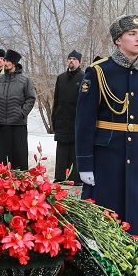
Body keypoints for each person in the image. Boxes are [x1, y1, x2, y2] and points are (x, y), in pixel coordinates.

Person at [76, 15, 138, 240]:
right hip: (106, 158)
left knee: (134, 223)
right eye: (132, 34)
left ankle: (134, 268)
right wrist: (85, 164)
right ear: (118, 40)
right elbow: (84, 122)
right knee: (103, 221)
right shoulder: (98, 72)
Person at [0, 49, 36, 170]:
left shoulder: (24, 80)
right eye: (4, 60)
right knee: (0, 159)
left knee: (18, 158)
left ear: (14, 63)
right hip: (1, 124)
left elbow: (31, 99)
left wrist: (22, 113)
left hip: (18, 124)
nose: (4, 63)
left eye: (7, 61)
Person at [52, 50, 84, 184]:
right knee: (62, 149)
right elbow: (56, 99)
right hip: (62, 119)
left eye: (74, 59)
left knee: (74, 149)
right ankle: (60, 177)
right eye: (69, 59)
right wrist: (54, 117)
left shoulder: (84, 77)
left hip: (76, 119)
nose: (71, 61)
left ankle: (74, 178)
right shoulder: (61, 78)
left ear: (79, 62)